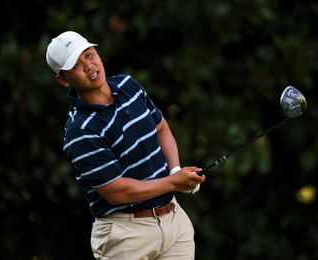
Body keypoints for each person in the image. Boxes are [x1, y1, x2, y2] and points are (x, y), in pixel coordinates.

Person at [46, 31, 205, 259]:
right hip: (126, 236)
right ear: (63, 80)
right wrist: (173, 182)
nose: (89, 66)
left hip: (173, 222)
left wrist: (176, 170)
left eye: (89, 55)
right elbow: (117, 192)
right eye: (77, 65)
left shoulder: (128, 85)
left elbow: (161, 128)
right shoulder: (80, 131)